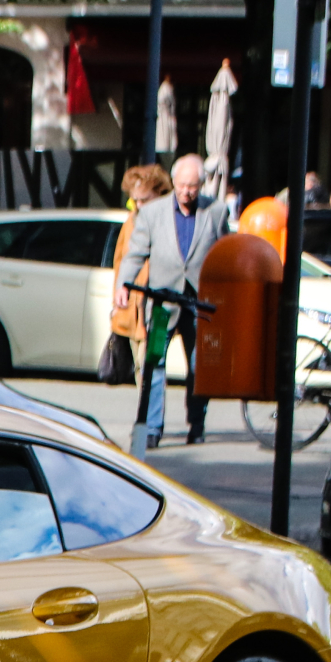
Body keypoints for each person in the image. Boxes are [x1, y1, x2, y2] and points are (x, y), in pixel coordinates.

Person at [117, 153, 233, 446]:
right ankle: (153, 428)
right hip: (162, 301)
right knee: (154, 363)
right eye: (182, 185)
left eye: (192, 186)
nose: (186, 192)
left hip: (199, 304)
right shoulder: (153, 212)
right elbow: (135, 253)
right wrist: (123, 285)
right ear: (174, 183)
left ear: (201, 185)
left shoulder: (216, 211)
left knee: (199, 366)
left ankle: (197, 423)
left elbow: (224, 255)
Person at [106, 164, 172, 437]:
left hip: (160, 304)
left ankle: (151, 424)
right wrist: (117, 300)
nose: (139, 205)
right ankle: (147, 420)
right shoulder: (130, 222)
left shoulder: (167, 220)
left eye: (145, 199)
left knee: (152, 364)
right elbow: (120, 261)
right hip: (134, 308)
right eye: (135, 200)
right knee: (140, 367)